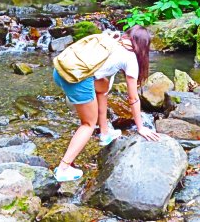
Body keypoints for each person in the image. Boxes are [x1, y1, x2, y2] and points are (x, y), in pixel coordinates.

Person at [52, 25, 160, 182]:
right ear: (144, 46)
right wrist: (141, 127)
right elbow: (133, 98)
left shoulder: (111, 38)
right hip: (76, 80)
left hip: (60, 70)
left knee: (102, 87)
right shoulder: (131, 59)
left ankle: (105, 133)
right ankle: (63, 168)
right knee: (88, 124)